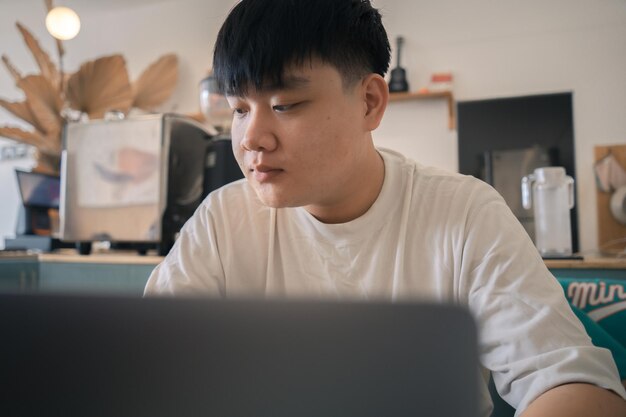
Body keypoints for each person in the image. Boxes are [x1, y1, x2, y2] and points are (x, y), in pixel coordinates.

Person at [144, 0, 626, 415]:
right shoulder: (220, 222)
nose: (252, 138)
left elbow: (570, 383)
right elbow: (147, 370)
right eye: (239, 109)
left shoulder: (462, 214)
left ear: (370, 102)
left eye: (285, 104)